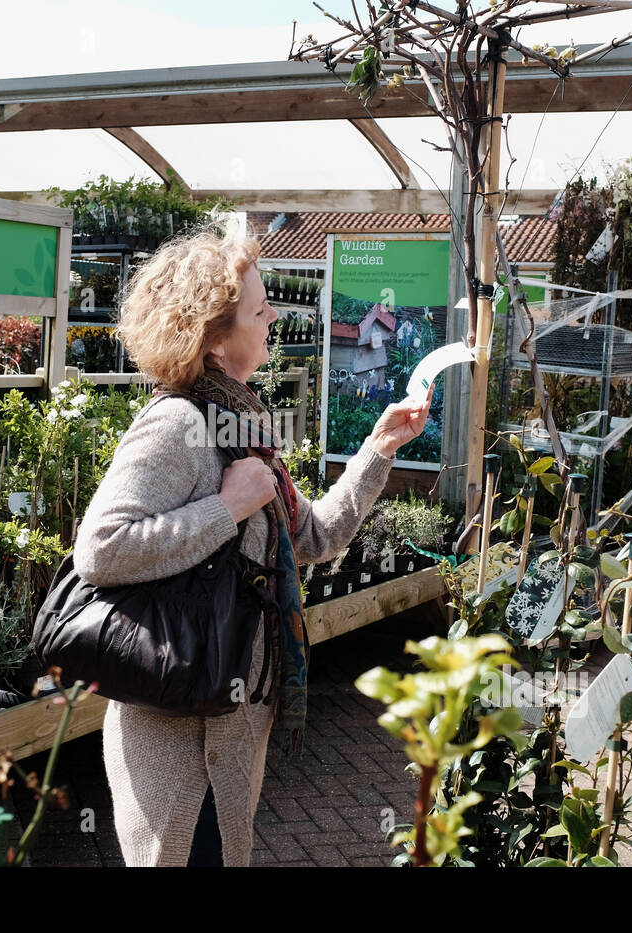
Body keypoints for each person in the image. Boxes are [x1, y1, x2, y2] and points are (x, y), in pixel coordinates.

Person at [73, 222, 433, 867]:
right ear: (212, 335)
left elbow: (314, 537)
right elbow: (101, 549)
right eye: (259, 307)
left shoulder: (241, 429)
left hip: (229, 727)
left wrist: (378, 449)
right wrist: (225, 507)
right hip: (176, 731)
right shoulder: (177, 423)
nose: (273, 316)